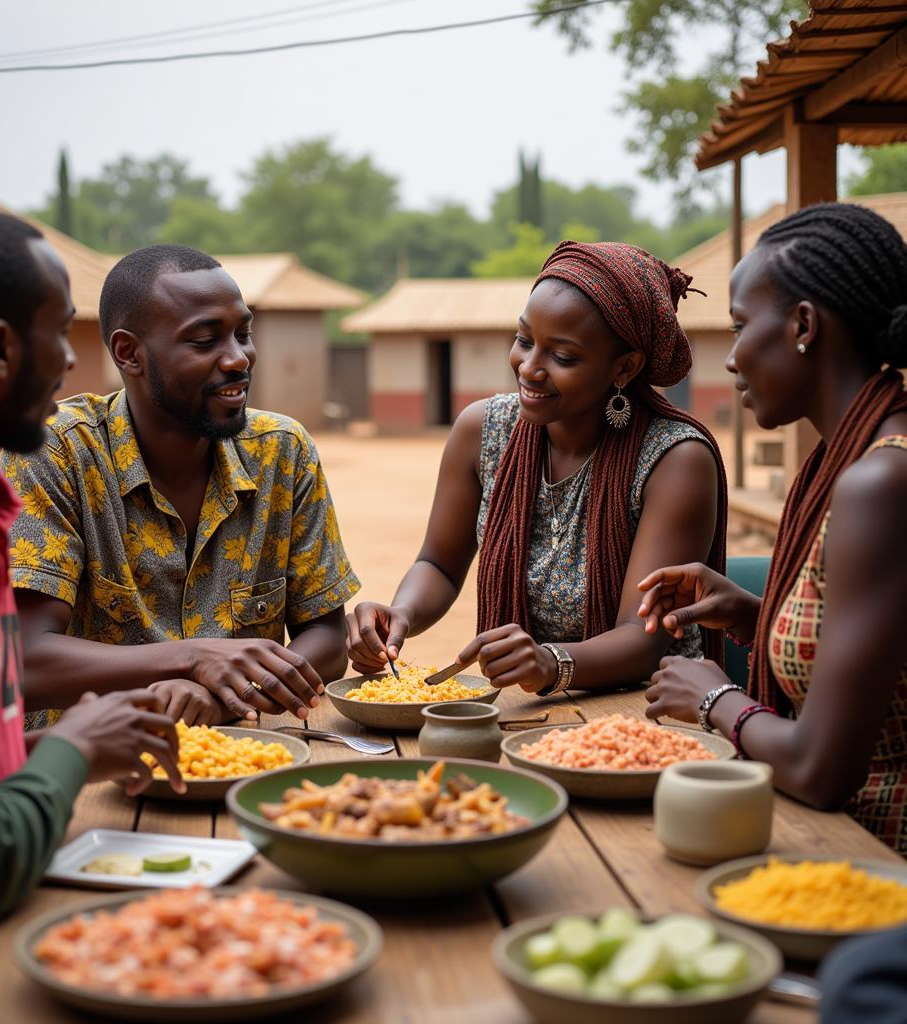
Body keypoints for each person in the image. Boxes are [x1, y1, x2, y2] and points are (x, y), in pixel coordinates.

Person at [0, 205, 184, 1024]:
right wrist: (77, 748)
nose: (72, 360)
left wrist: (55, 745)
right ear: (0, 349)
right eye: (61, 333)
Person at [639, 202, 907, 855]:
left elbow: (820, 769)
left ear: (804, 326)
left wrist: (716, 696)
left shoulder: (882, 483)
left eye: (738, 327)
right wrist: (753, 616)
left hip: (874, 871)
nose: (730, 359)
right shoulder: (859, 455)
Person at [0, 244, 359, 728]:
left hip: (244, 756)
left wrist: (219, 698)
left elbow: (328, 637)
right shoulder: (58, 452)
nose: (238, 359)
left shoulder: (283, 451)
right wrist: (191, 658)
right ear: (129, 353)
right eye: (204, 340)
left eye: (243, 334)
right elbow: (24, 657)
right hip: (90, 771)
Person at [349, 241, 727, 696]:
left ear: (624, 367)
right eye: (524, 340)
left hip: (648, 705)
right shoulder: (483, 431)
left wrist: (551, 662)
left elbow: (642, 634)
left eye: (562, 356)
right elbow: (439, 564)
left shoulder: (675, 459)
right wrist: (402, 613)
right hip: (527, 704)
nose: (529, 368)